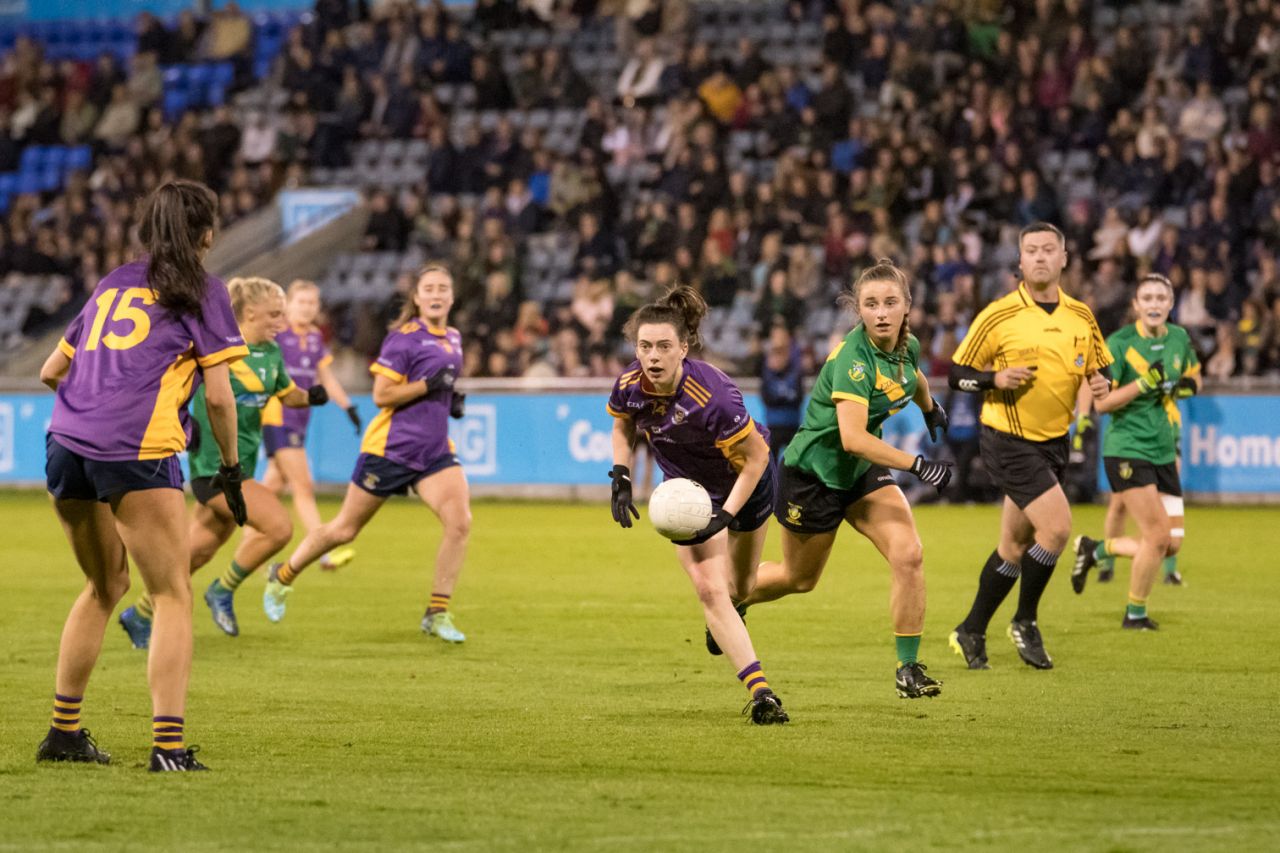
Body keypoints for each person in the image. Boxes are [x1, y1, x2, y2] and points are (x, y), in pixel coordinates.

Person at [36, 179, 248, 772]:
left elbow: (54, 369)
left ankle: (64, 733)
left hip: (66, 442)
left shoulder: (114, 281)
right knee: (172, 593)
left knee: (105, 586)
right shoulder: (204, 290)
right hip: (137, 448)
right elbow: (221, 398)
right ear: (206, 233)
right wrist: (230, 468)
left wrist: (94, 406)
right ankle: (168, 748)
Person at [739, 260, 953, 699]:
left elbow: (914, 378)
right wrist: (916, 464)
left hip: (858, 474)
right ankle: (731, 600)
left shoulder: (905, 345)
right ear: (859, 309)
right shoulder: (853, 360)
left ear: (906, 306)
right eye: (870, 304)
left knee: (908, 554)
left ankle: (907, 669)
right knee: (799, 580)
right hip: (813, 476)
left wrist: (930, 408)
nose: (880, 312)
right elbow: (853, 438)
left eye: (890, 303)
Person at [607, 286, 788, 725]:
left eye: (664, 346)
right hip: (689, 493)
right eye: (645, 346)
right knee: (709, 589)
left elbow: (758, 457)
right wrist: (621, 475)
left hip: (747, 482)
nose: (653, 356)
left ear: (683, 348)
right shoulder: (631, 384)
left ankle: (733, 606)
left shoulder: (715, 397)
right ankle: (762, 693)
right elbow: (621, 425)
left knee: (738, 587)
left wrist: (727, 516)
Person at [261, 264, 471, 642]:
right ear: (418, 298)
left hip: (435, 451)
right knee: (344, 530)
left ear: (452, 297)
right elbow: (382, 395)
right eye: (430, 288)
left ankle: (437, 613)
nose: (437, 293)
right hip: (389, 449)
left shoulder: (453, 338)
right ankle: (283, 574)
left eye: (444, 287)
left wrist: (450, 398)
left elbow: (440, 383)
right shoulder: (403, 340)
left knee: (459, 523)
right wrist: (428, 386)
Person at [117, 277, 329, 648]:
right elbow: (174, 386)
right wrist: (187, 424)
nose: (281, 322)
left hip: (242, 464)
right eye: (274, 314)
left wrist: (309, 396)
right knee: (279, 528)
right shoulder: (215, 348)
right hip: (214, 468)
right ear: (248, 313)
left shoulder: (272, 353)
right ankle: (222, 590)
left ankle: (140, 614)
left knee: (198, 551)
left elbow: (286, 393)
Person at [947, 222, 1113, 670]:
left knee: (1012, 547)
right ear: (1020, 262)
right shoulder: (999, 314)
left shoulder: (1081, 316)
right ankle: (1025, 620)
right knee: (1057, 530)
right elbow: (957, 373)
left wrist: (1101, 384)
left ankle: (971, 630)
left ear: (1064, 259)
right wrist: (993, 378)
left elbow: (1100, 370)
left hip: (1053, 442)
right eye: (1031, 251)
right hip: (1007, 440)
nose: (1040, 257)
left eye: (1048, 250)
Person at [1070, 273, 1200, 628]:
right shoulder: (1119, 344)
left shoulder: (1179, 338)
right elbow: (1103, 404)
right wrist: (1144, 384)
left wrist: (1186, 387)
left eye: (1162, 298)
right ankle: (1135, 613)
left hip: (1162, 448)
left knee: (1170, 545)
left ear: (1171, 305)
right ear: (1136, 306)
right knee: (1157, 536)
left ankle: (1096, 549)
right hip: (1127, 448)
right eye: (1148, 298)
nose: (1155, 304)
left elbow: (1193, 375)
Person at [260, 279, 362, 571]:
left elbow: (325, 378)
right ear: (289, 304)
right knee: (303, 486)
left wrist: (348, 406)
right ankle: (322, 551)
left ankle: (247, 554)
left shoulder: (315, 338)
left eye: (311, 303)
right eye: (301, 302)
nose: (306, 308)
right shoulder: (277, 334)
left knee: (270, 491)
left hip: (300, 419)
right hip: (278, 416)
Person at [760, 322, 804, 463]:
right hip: (773, 427)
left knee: (794, 462)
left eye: (781, 356)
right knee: (771, 462)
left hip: (792, 425)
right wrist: (786, 396)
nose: (777, 360)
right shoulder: (767, 376)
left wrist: (780, 398)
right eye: (775, 357)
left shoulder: (795, 374)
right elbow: (767, 399)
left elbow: (799, 398)